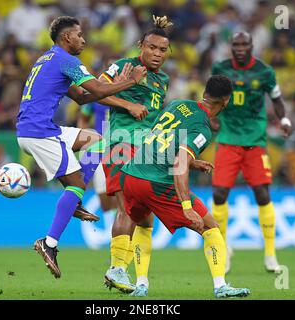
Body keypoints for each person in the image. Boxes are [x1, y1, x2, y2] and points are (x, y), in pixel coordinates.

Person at [16, 16, 146, 279]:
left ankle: (74, 201)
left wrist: (121, 98)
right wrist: (131, 81)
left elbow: (84, 97)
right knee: (76, 182)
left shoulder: (48, 59)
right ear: (66, 38)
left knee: (94, 139)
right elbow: (96, 88)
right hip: (39, 132)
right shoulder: (67, 60)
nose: (83, 39)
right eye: (79, 34)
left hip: (35, 129)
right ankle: (49, 244)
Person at [119, 75, 250, 298]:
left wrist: (193, 161)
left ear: (205, 91)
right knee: (210, 228)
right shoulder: (203, 127)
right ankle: (220, 286)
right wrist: (186, 205)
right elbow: (180, 163)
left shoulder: (178, 104)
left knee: (143, 225)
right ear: (226, 101)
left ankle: (141, 285)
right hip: (156, 182)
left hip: (131, 175)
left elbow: (161, 139)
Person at [99, 16, 173, 294]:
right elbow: (92, 90)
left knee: (144, 217)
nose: (156, 54)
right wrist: (127, 104)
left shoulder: (162, 79)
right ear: (141, 45)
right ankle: (116, 268)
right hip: (122, 144)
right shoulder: (123, 66)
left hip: (146, 150)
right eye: (152, 47)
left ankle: (137, 278)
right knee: (128, 206)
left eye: (162, 50)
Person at [210, 32, 292, 273]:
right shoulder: (220, 67)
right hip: (227, 139)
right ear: (231, 47)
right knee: (218, 194)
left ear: (252, 46)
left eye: (244, 44)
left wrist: (284, 119)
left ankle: (270, 254)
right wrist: (211, 117)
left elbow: (276, 99)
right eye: (236, 44)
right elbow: (211, 97)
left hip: (255, 141)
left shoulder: (265, 72)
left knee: (262, 194)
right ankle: (224, 249)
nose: (240, 48)